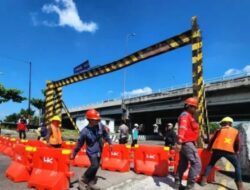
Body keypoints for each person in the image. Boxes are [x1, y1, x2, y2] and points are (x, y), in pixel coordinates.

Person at [70, 109, 112, 190]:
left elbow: (105, 134)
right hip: (91, 151)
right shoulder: (84, 131)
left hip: (99, 149)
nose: (97, 121)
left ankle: (91, 184)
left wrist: (110, 143)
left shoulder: (100, 126)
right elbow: (79, 144)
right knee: (94, 165)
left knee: (96, 167)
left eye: (98, 119)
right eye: (95, 120)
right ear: (89, 120)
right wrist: (74, 153)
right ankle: (82, 180)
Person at [200, 117, 246, 190]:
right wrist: (236, 150)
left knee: (211, 164)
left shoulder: (219, 130)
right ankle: (240, 186)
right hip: (229, 151)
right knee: (237, 166)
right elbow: (237, 142)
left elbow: (212, 140)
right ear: (230, 123)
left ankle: (203, 181)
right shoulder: (236, 131)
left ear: (224, 123)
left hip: (217, 150)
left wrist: (208, 148)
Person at [174, 97, 201, 190]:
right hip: (186, 142)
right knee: (196, 163)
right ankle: (190, 186)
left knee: (183, 164)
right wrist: (179, 141)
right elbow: (183, 127)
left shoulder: (188, 115)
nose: (195, 109)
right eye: (194, 107)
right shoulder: (186, 115)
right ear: (189, 106)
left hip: (187, 142)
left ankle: (177, 183)